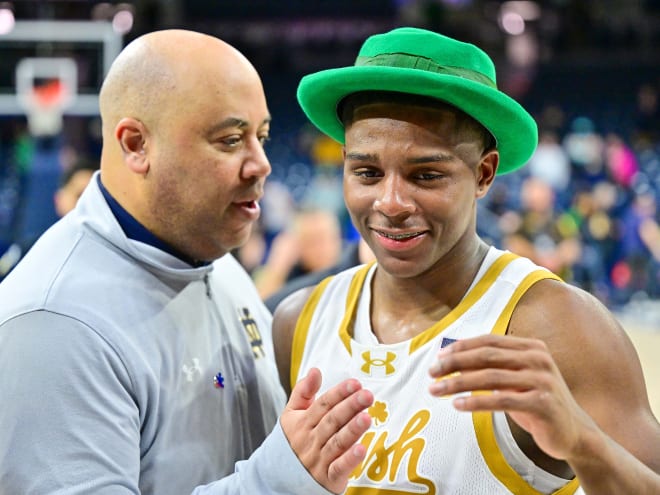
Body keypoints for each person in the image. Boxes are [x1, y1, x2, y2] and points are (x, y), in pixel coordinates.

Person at [273, 27, 660, 494]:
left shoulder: (560, 328)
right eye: (367, 172)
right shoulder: (298, 322)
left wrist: (581, 441)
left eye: (427, 174)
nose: (390, 201)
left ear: (484, 173)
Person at [0, 29, 375, 495]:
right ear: (136, 145)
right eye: (230, 139)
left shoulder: (208, 255)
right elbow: (276, 475)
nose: (261, 164)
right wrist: (279, 481)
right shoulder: (54, 323)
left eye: (261, 137)